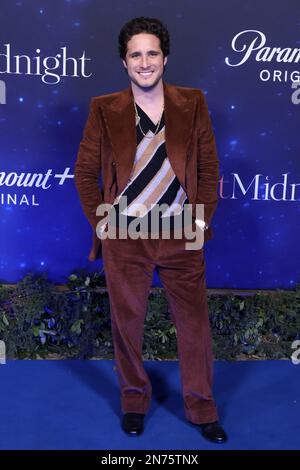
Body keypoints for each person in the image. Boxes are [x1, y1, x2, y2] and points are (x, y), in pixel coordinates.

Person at [74, 16, 227, 444]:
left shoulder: (192, 102)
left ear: (165, 57)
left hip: (181, 233)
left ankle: (202, 408)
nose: (145, 62)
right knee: (127, 325)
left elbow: (208, 167)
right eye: (136, 54)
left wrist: (200, 221)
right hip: (126, 236)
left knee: (195, 327)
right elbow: (85, 173)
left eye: (152, 53)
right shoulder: (103, 109)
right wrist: (104, 225)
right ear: (124, 63)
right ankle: (134, 402)